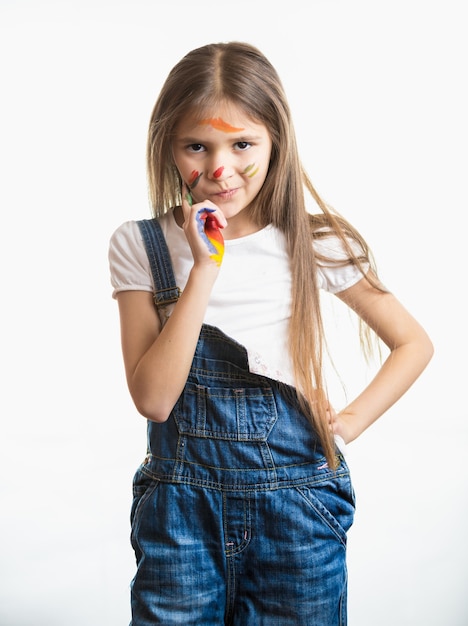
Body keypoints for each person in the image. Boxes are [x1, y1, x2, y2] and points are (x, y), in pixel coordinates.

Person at [108, 41, 433, 626]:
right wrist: (205, 266)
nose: (219, 168)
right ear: (168, 148)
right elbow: (154, 400)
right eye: (196, 146)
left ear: (275, 142)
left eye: (242, 144)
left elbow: (413, 343)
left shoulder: (315, 245)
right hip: (181, 510)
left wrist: (350, 422)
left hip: (297, 508)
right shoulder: (142, 246)